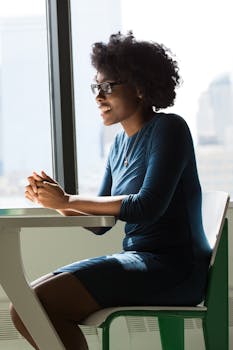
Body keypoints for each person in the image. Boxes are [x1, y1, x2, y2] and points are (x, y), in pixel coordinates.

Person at [10, 32, 211, 350]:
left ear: (140, 87)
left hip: (175, 269)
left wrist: (68, 199)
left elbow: (148, 206)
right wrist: (56, 201)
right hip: (139, 260)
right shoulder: (118, 145)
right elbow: (98, 225)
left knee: (37, 305)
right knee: (25, 307)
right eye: (96, 87)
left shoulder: (169, 129)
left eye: (108, 86)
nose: (98, 96)